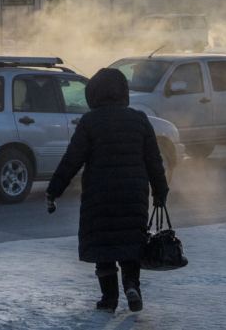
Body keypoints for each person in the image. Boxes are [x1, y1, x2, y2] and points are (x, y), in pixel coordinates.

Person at [45, 68, 168, 313]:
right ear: (123, 93)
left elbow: (72, 159)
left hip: (99, 196)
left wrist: (54, 190)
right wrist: (160, 191)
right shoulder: (139, 120)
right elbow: (154, 160)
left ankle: (108, 298)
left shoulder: (90, 122)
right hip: (133, 195)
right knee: (130, 242)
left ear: (94, 94)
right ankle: (132, 286)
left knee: (104, 246)